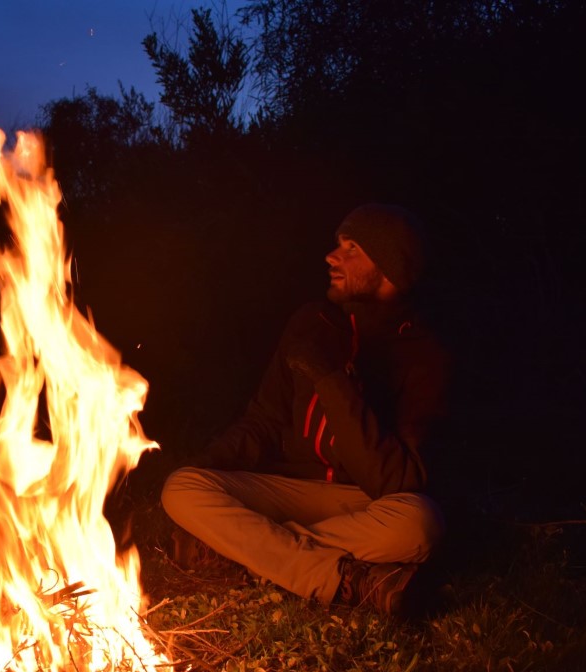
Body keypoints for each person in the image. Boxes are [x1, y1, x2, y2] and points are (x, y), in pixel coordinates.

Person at [161, 203, 451, 615]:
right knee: (181, 488)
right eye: (338, 245)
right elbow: (264, 419)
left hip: (362, 501)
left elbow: (398, 480)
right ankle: (348, 577)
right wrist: (206, 468)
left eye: (352, 249)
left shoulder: (423, 355)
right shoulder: (312, 322)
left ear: (389, 270)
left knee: (421, 524)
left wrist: (332, 379)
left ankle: (250, 552)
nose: (332, 257)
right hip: (288, 487)